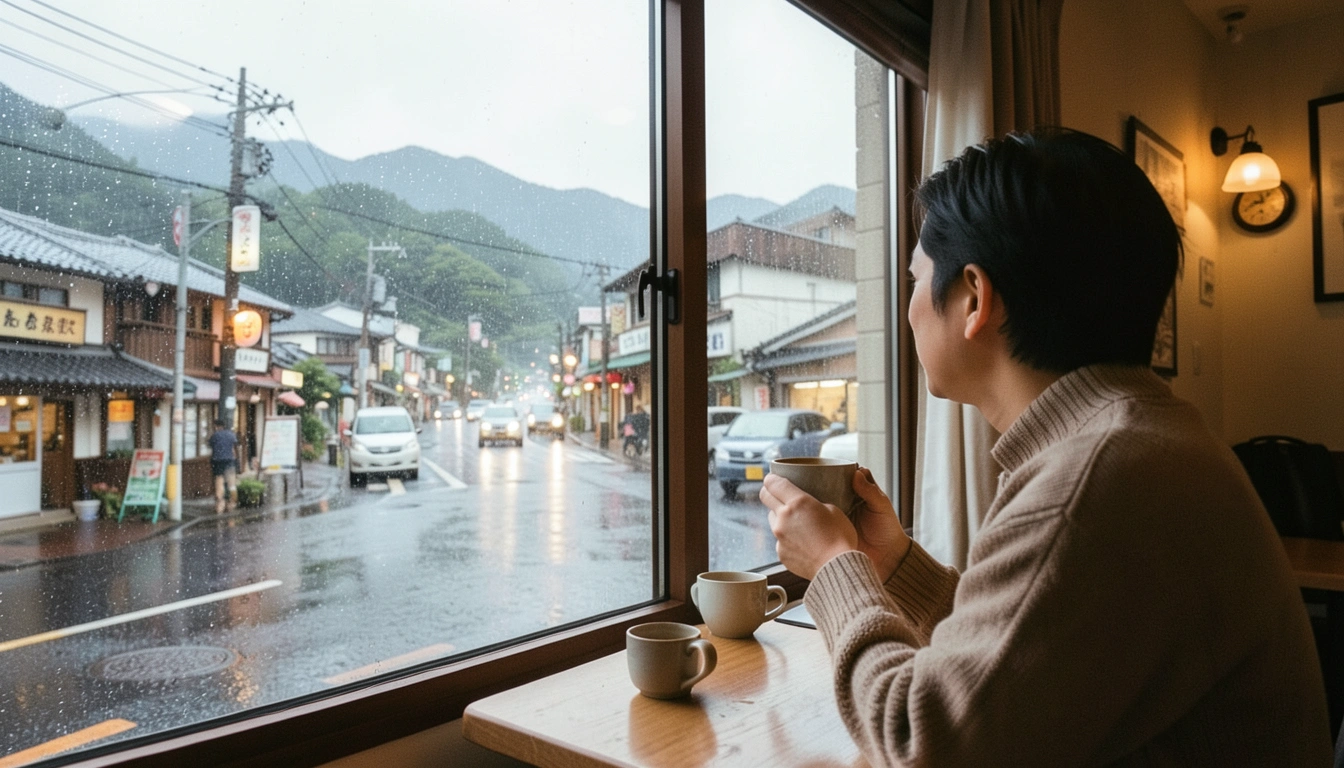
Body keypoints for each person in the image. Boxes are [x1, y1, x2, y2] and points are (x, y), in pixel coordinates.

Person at [760, 129, 1331, 766]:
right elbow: (1029, 661)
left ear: (974, 297)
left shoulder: (1094, 481)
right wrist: (894, 565)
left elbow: (924, 746)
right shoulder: (1139, 438)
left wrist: (838, 567)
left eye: (917, 279)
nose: (910, 308)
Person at [208, 417, 239, 513]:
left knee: (219, 481)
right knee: (232, 484)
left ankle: (220, 503)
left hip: (217, 461)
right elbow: (235, 448)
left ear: (216, 426)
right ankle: (233, 503)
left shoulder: (214, 436)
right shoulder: (231, 435)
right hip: (230, 460)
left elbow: (211, 445)